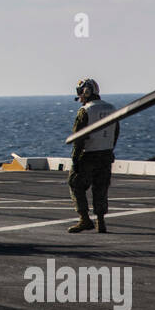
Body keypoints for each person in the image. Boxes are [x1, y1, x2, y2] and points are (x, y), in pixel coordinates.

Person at [67, 78, 119, 233]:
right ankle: (101, 221)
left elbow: (78, 137)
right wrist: (109, 149)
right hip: (106, 154)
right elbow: (116, 133)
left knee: (75, 184)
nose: (79, 96)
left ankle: (84, 219)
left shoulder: (85, 110)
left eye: (80, 92)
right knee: (101, 188)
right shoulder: (112, 108)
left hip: (88, 155)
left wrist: (75, 159)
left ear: (86, 91)